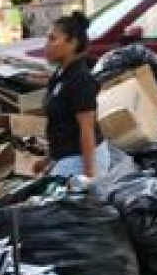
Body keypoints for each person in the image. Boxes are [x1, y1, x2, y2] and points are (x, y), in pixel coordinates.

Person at [43, 11, 109, 179]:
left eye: (52, 39)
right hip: (66, 157)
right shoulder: (59, 74)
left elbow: (87, 129)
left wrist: (89, 176)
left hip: (83, 159)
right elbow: (60, 124)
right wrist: (47, 160)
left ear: (72, 43)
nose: (46, 45)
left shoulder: (80, 79)